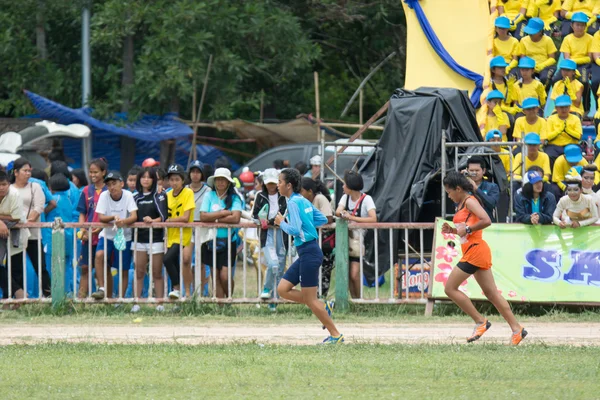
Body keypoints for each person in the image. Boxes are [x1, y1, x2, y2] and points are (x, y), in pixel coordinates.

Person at [441, 170, 527, 345]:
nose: (448, 196)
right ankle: (517, 329)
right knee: (492, 294)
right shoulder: (462, 204)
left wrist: (469, 230)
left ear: (458, 189)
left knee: (450, 289)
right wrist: (452, 230)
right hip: (474, 250)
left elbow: (487, 220)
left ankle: (481, 322)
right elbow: (466, 228)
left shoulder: (470, 201)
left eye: (449, 192)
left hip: (475, 251)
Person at [275, 168, 343, 344]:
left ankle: (336, 335)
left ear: (288, 185)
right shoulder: (303, 200)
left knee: (310, 300)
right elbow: (322, 219)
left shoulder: (292, 203)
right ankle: (323, 306)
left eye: (280, 182)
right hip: (307, 252)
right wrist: (306, 223)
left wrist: (282, 223)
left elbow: (295, 230)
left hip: (309, 252)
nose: (278, 185)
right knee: (282, 289)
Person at [92, 171, 138, 300]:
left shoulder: (128, 195)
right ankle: (101, 288)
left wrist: (122, 222)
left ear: (122, 184)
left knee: (123, 269)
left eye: (114, 183)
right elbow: (101, 216)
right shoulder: (104, 195)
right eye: (109, 185)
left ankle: (120, 299)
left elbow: (134, 216)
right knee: (99, 255)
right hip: (107, 235)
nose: (112, 187)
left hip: (125, 236)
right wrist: (113, 217)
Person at [200, 167, 242, 299]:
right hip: (210, 241)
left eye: (223, 180)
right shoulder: (209, 195)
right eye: (218, 180)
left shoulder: (235, 198)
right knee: (215, 275)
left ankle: (229, 298)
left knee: (224, 275)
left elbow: (235, 218)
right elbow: (203, 216)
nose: (220, 183)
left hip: (229, 241)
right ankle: (221, 304)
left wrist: (214, 217)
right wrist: (222, 214)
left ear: (228, 182)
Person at [10, 157, 50, 297]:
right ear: (16, 172)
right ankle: (19, 298)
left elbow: (39, 207)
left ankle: (50, 296)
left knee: (41, 267)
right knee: (16, 268)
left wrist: (27, 221)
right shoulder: (9, 189)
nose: (28, 173)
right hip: (15, 235)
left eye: (29, 171)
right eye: (24, 170)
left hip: (33, 233)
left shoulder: (35, 187)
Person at [335, 170, 377, 299]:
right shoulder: (345, 197)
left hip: (360, 241)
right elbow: (337, 211)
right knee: (346, 274)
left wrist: (352, 218)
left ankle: (359, 299)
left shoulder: (367, 199)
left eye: (345, 184)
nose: (342, 187)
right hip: (346, 240)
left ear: (351, 186)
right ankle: (352, 300)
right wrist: (343, 214)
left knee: (354, 274)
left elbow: (373, 219)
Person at [132, 167, 167, 312]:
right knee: (139, 271)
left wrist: (152, 220)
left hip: (156, 239)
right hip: (139, 239)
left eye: (149, 177)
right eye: (143, 177)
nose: (146, 179)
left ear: (154, 179)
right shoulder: (135, 197)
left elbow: (164, 216)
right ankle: (136, 302)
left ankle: (160, 303)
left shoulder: (159, 195)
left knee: (157, 272)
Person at [253, 168, 288, 308]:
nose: (271, 186)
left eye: (274, 183)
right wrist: (262, 222)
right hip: (266, 234)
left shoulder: (284, 197)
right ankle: (266, 288)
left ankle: (275, 300)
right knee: (273, 263)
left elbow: (285, 214)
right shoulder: (259, 196)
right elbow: (255, 215)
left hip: (282, 234)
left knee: (280, 268)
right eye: (269, 183)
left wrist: (271, 221)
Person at [76, 158, 107, 298]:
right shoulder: (86, 190)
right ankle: (81, 301)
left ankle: (108, 299)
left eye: (96, 172)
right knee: (84, 268)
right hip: (88, 236)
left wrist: (101, 228)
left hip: (104, 235)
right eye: (91, 172)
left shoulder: (109, 189)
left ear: (103, 172)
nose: (92, 175)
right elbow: (82, 213)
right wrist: (82, 231)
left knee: (104, 268)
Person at [164, 164, 195, 299]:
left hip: (184, 235)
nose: (174, 182)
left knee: (168, 259)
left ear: (183, 180)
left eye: (177, 179)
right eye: (171, 180)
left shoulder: (188, 193)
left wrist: (169, 221)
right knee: (174, 263)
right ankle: (179, 295)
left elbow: (186, 217)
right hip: (171, 235)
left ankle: (179, 289)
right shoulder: (167, 194)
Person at [301, 177, 335, 297]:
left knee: (324, 270)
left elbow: (328, 218)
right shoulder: (305, 203)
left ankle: (321, 296)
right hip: (314, 242)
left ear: (310, 191)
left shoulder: (319, 198)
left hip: (325, 242)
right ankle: (313, 296)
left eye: (301, 191)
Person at [0, 171, 28, 299]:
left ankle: (14, 300)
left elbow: (16, 218)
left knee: (16, 268)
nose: (1, 187)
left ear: (9, 184)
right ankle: (17, 293)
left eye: (4, 184)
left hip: (16, 232)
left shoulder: (14, 194)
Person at [47, 174, 76, 293]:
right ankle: (67, 294)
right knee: (66, 269)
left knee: (52, 268)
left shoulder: (55, 200)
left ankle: (55, 295)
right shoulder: (68, 199)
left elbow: (43, 212)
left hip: (53, 238)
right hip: (68, 237)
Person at [558, 12, 593, 110]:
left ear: (585, 26)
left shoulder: (590, 38)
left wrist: (574, 60)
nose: (580, 27)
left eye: (582, 25)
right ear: (572, 25)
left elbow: (589, 58)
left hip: (584, 65)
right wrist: (572, 64)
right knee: (556, 80)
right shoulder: (567, 39)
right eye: (577, 25)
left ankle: (586, 108)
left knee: (584, 81)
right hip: (569, 65)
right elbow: (566, 58)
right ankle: (561, 105)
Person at [188, 160, 211, 296]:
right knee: (187, 262)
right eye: (193, 171)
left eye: (198, 172)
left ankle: (202, 292)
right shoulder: (184, 189)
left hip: (203, 229)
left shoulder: (208, 190)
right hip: (187, 229)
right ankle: (190, 293)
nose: (195, 175)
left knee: (202, 263)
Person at [518, 17, 558, 88]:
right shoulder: (523, 40)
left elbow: (552, 59)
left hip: (545, 67)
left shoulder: (548, 40)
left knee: (544, 78)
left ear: (540, 32)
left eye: (532, 32)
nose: (530, 34)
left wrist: (542, 65)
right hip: (529, 67)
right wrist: (530, 67)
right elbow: (522, 59)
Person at [545, 95, 582, 165]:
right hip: (554, 146)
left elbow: (579, 136)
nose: (564, 109)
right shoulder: (551, 119)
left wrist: (567, 130)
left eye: (566, 107)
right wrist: (559, 130)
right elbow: (548, 137)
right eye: (561, 107)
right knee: (549, 156)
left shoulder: (575, 118)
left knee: (576, 156)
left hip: (571, 145)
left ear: (570, 107)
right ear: (556, 108)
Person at [464, 156, 500, 222]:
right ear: (467, 170)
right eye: (471, 170)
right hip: (467, 224)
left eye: (477, 170)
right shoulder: (463, 187)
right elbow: (458, 204)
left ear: (483, 171)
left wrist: (477, 189)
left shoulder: (492, 186)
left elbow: (492, 204)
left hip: (486, 225)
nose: (474, 173)